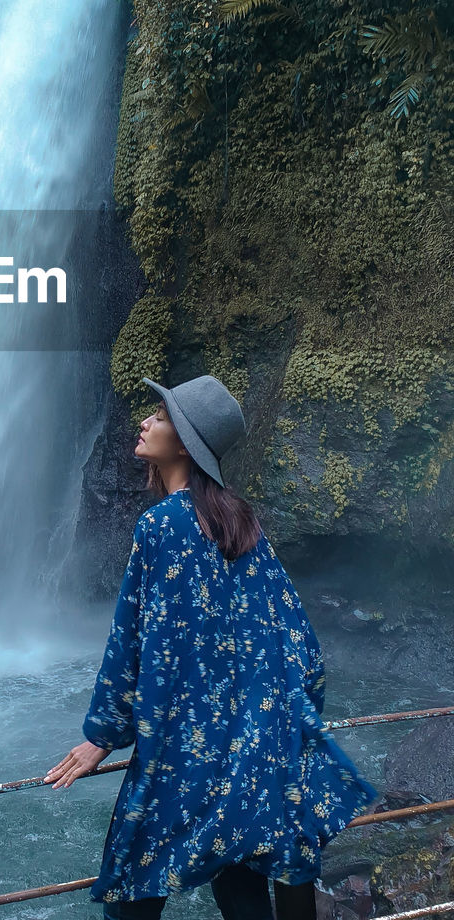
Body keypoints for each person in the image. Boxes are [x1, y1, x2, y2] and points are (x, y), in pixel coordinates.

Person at [43, 373, 380, 920]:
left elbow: (131, 640)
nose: (145, 421)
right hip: (249, 749)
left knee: (133, 884)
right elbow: (302, 646)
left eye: (160, 416)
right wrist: (275, 728)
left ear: (184, 442)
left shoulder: (160, 527)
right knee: (242, 884)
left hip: (184, 752)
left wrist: (101, 738)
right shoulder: (242, 522)